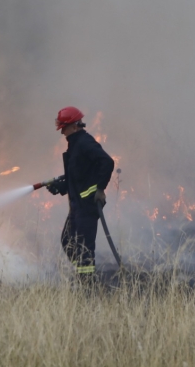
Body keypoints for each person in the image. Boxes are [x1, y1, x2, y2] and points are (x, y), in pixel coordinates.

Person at [46, 106, 115, 280]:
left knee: (84, 247)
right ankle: (83, 275)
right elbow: (76, 177)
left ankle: (87, 286)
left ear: (75, 126)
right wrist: (60, 188)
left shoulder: (84, 143)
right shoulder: (74, 145)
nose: (62, 132)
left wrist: (100, 189)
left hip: (87, 206)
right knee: (67, 241)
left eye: (64, 127)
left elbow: (107, 162)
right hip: (76, 206)